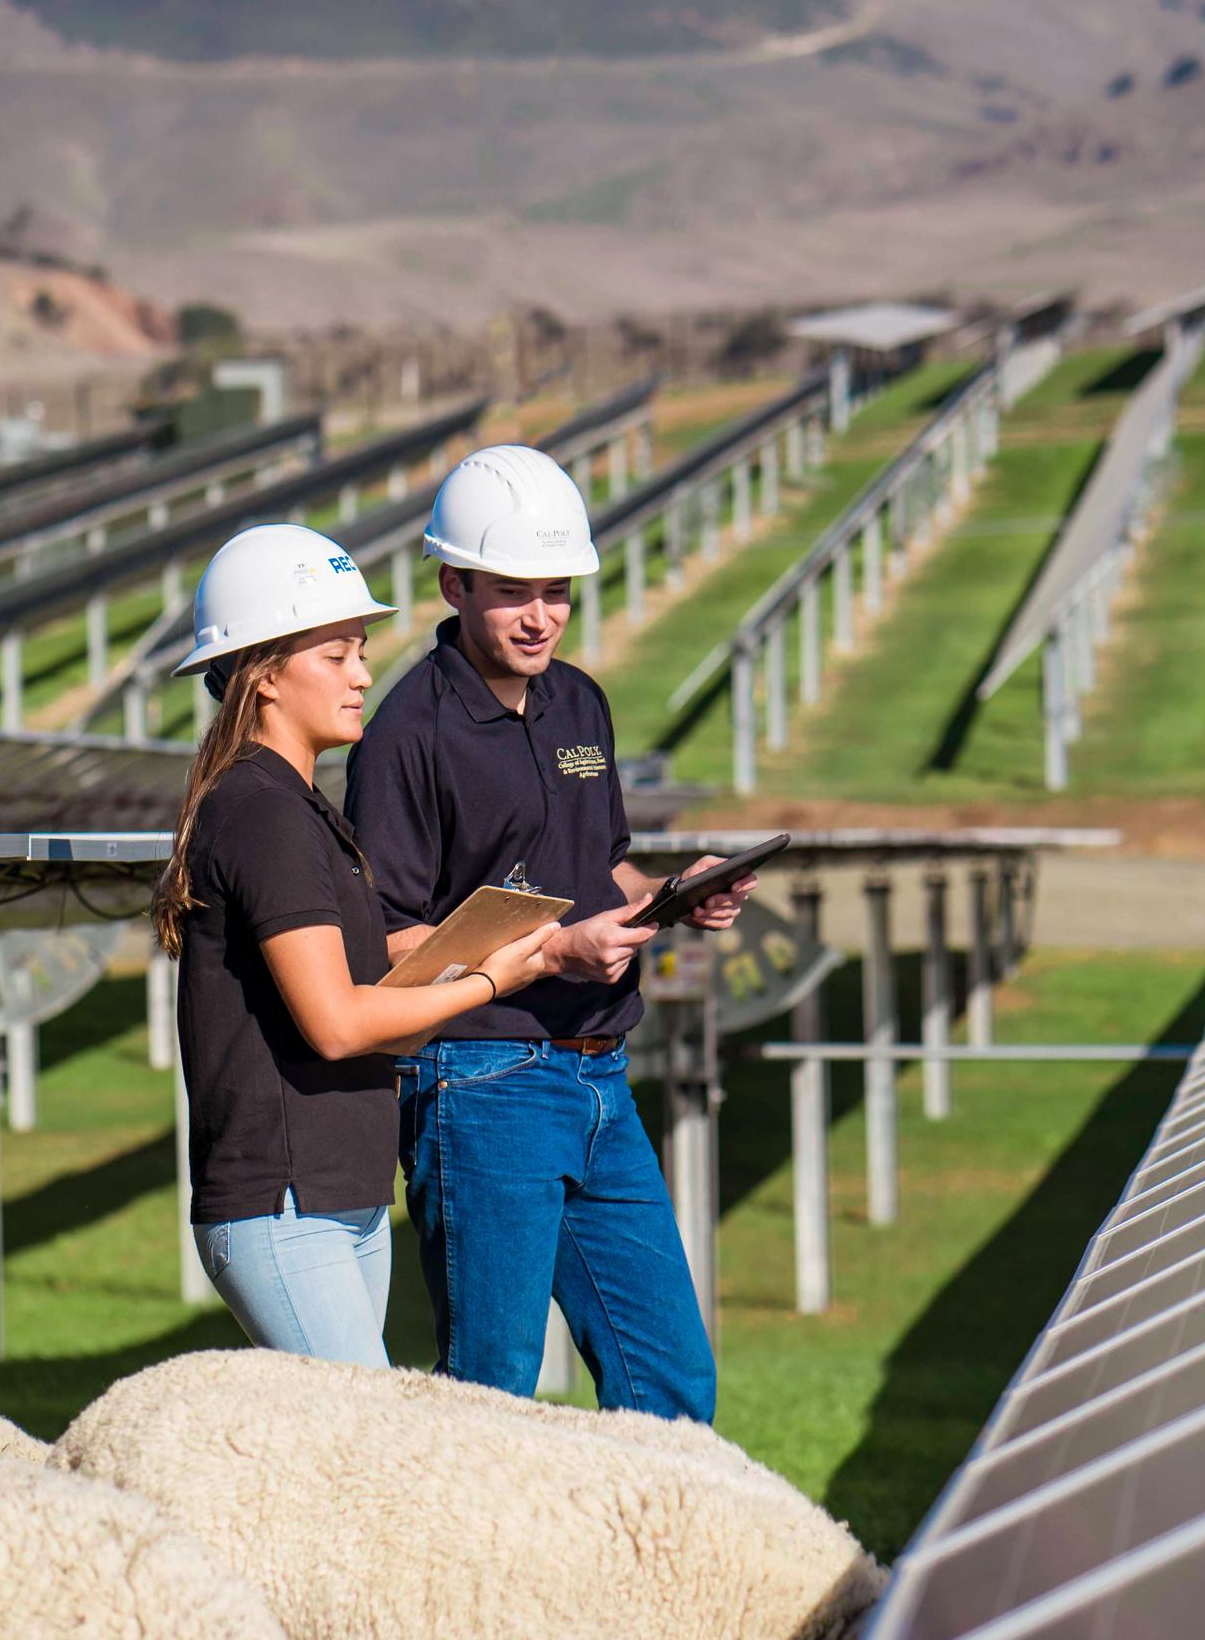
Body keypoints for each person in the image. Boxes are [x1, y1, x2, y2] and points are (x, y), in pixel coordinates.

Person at [348, 442, 755, 1420]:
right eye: (512, 591)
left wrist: (675, 890)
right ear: (453, 583)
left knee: (672, 1382)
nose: (540, 615)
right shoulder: (407, 733)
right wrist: (545, 954)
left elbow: (602, 866)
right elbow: (392, 948)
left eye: (557, 591)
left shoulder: (581, 701)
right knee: (493, 1392)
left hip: (600, 1075)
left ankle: (658, 1575)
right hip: (480, 1083)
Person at [155, 523, 562, 1365]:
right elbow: (338, 1022)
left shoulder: (300, 807)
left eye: (363, 651)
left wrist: (450, 951)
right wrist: (489, 981)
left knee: (336, 1469)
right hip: (285, 1207)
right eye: (337, 655)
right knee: (365, 1461)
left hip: (338, 1199)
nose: (365, 675)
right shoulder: (265, 813)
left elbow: (359, 995)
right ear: (264, 675)